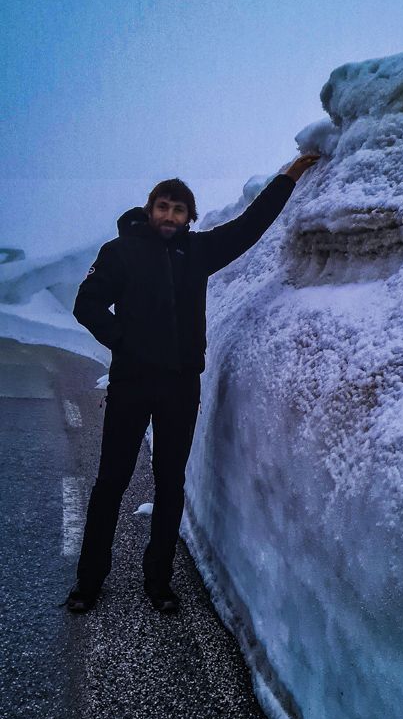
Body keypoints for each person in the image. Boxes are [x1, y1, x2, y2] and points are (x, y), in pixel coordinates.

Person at [65, 153, 319, 614]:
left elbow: (250, 226)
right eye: (162, 206)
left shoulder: (196, 252)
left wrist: (289, 176)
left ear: (189, 217)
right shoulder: (119, 252)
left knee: (169, 482)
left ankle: (158, 581)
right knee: (110, 483)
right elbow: (87, 304)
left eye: (178, 209)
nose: (169, 215)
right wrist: (124, 340)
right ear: (150, 210)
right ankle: (89, 581)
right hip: (131, 384)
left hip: (181, 386)